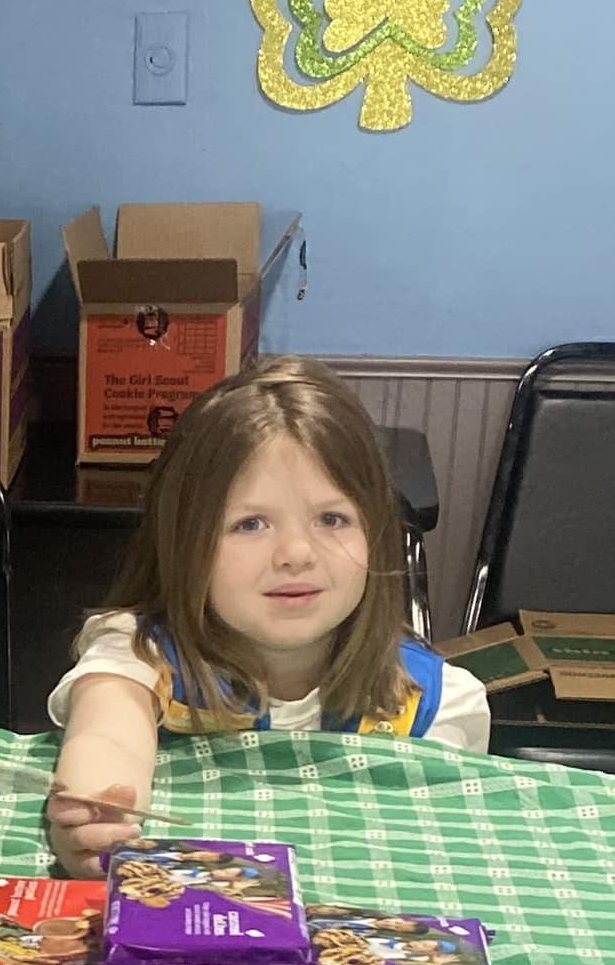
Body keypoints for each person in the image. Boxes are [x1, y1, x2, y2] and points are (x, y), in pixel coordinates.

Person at [47, 357, 489, 877]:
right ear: (185, 542)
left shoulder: (438, 704)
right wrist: (96, 812)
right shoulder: (137, 654)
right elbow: (107, 736)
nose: (296, 553)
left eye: (332, 518)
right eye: (250, 523)